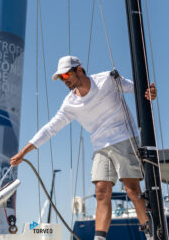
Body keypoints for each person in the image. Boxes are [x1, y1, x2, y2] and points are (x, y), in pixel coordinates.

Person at [10, 55, 156, 240]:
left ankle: (151, 233)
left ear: (79, 70)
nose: (64, 81)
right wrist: (24, 152)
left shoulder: (107, 80)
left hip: (124, 137)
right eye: (61, 78)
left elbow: (137, 89)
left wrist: (149, 92)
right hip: (100, 146)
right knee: (101, 191)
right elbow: (50, 128)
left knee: (132, 190)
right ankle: (99, 238)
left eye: (65, 75)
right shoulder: (70, 104)